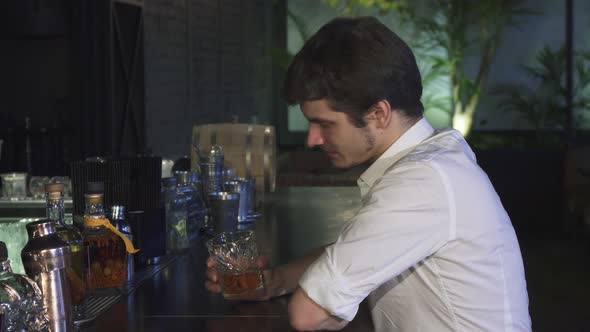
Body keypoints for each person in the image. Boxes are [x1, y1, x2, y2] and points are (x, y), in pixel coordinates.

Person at [205, 16, 531, 331]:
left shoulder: (423, 180)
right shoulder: (431, 161)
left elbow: (307, 315)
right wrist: (272, 282)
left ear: (379, 114)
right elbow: (357, 248)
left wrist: (322, 297)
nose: (312, 139)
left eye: (324, 124)